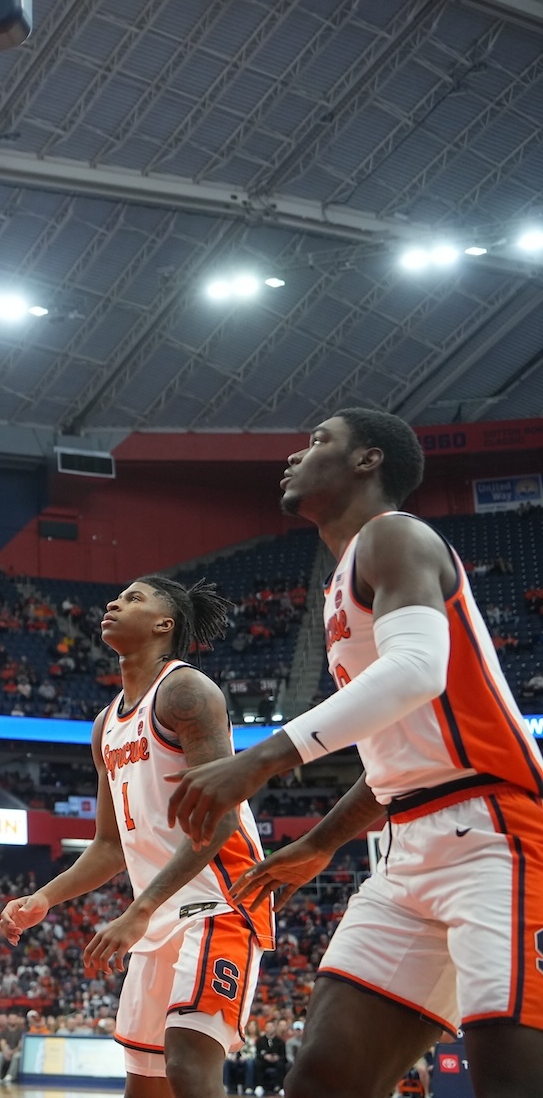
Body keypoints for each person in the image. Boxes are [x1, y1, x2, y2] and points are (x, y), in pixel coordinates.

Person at [169, 409, 543, 1098]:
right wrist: (320, 842)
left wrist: (263, 757)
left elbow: (417, 673)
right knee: (324, 1078)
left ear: (368, 461)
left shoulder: (394, 538)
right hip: (406, 846)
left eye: (317, 442)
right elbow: (395, 753)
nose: (295, 456)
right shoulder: (339, 581)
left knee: (511, 1080)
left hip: (498, 831)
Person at [0, 577, 272, 1098]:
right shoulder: (106, 724)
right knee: (145, 1086)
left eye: (133, 598)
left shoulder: (187, 692)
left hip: (223, 899)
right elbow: (108, 846)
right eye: (117, 597)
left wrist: (138, 910)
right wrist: (44, 898)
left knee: (190, 1067)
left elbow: (221, 821)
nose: (113, 604)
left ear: (164, 624)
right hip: (158, 911)